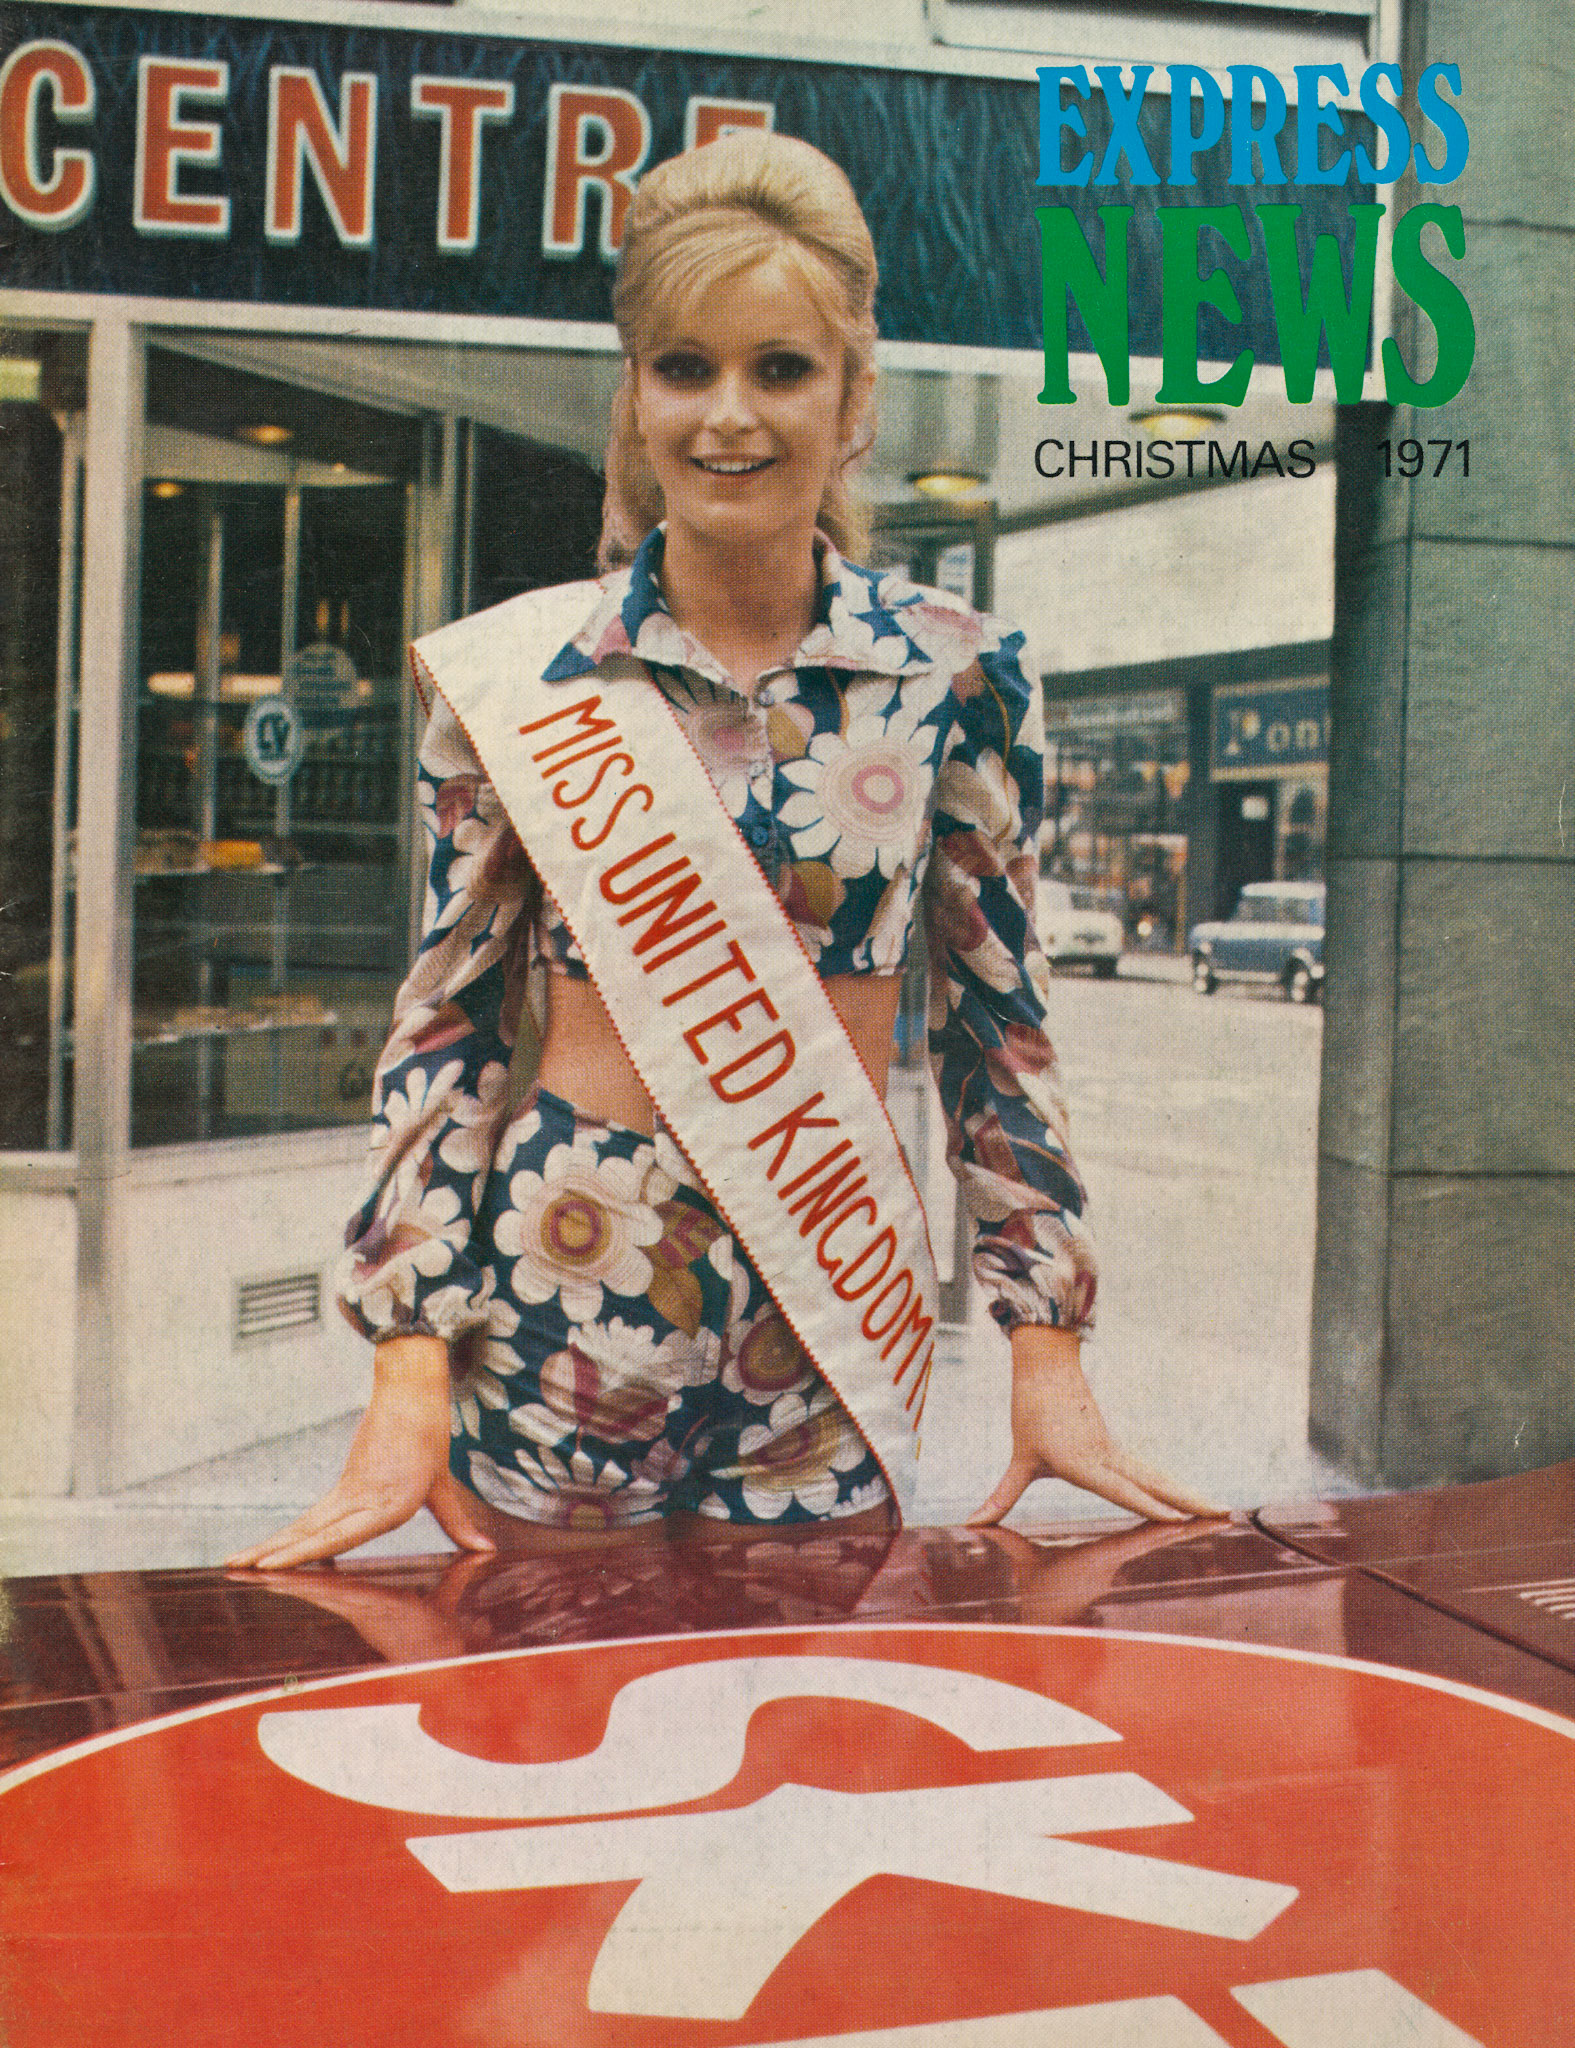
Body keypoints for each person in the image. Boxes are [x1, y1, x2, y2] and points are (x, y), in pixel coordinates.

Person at [228, 132, 1215, 1571]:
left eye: (782, 368)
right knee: (543, 1719)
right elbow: (448, 1021)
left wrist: (1045, 1338)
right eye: (683, 368)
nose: (728, 417)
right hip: (567, 1275)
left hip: (832, 1298)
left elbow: (1000, 1018)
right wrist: (406, 1358)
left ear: (857, 399)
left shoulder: (959, 671)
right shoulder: (523, 679)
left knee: (806, 1735)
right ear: (633, 396)